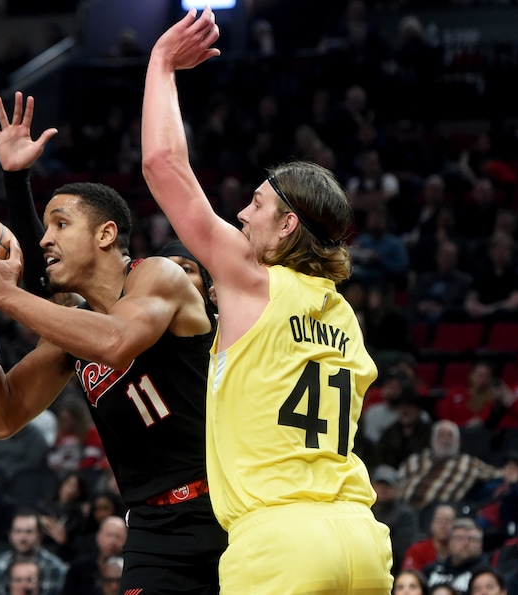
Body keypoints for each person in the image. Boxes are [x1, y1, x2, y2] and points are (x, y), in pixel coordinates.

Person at [0, 90, 227, 593]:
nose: (45, 239)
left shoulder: (159, 275)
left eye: (61, 224)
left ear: (106, 234)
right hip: (153, 530)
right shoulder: (75, 332)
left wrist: (2, 293)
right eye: (45, 227)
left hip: (224, 508)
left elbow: (116, 342)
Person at [140, 8, 392, 593]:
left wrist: (161, 64)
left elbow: (162, 165)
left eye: (256, 204)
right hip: (362, 540)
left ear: (287, 225)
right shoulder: (344, 314)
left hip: (280, 541)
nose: (241, 213)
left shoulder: (252, 279)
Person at [0, 510, 67, 595]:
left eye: (29, 532)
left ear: (40, 535)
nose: (23, 538)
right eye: (18, 531)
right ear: (10, 535)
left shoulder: (55, 567)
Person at [422, 518, 491, 592]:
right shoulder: (431, 570)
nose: (466, 543)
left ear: (480, 545)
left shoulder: (487, 575)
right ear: (449, 543)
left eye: (472, 539)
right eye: (460, 538)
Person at [404, 503, 456, 572]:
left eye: (448, 521)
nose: (443, 526)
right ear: (431, 524)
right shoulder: (417, 550)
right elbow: (408, 575)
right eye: (439, 520)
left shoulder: (460, 550)